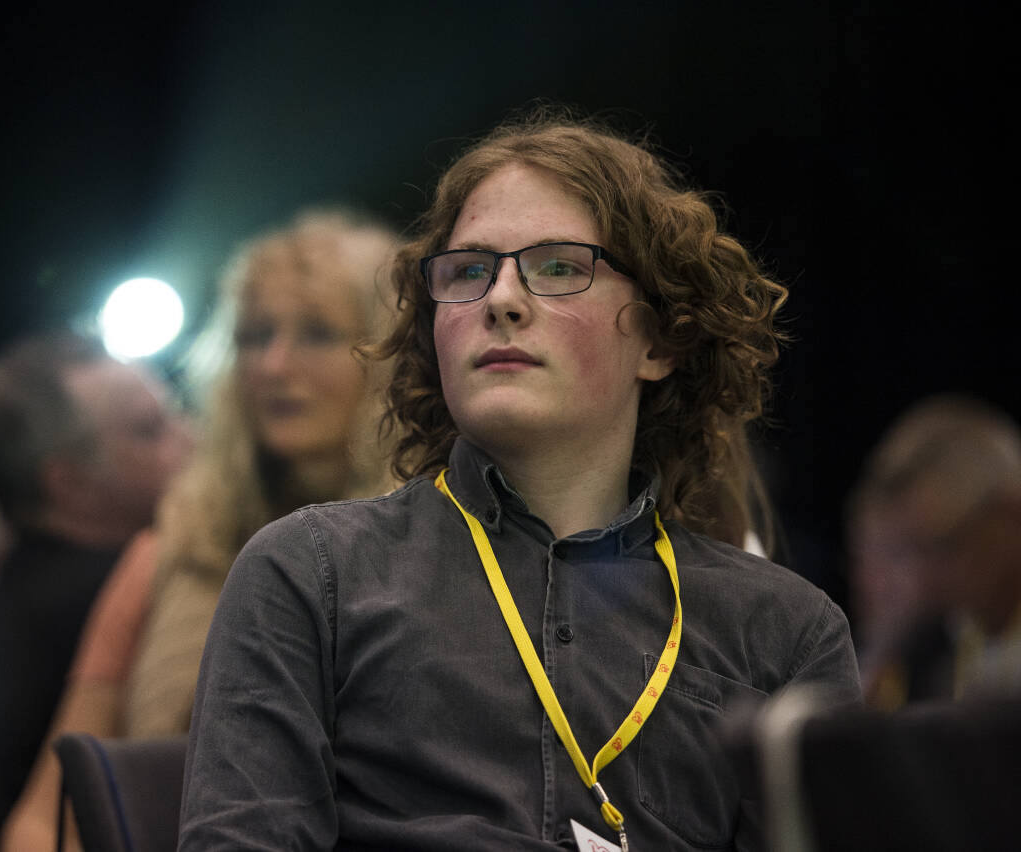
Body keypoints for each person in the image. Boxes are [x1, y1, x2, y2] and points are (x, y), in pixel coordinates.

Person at [178, 110, 861, 852]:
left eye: (559, 266)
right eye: (469, 270)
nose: (501, 297)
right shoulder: (310, 573)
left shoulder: (786, 630)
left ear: (662, 340)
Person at [0, 209, 400, 851]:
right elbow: (47, 810)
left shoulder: (435, 557)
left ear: (391, 356)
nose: (272, 364)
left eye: (318, 334)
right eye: (253, 335)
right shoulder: (171, 547)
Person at [0, 330, 194, 852]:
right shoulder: (135, 583)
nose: (191, 437)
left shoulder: (11, 598)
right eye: (151, 431)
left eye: (177, 411)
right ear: (70, 483)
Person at [847, 393, 1021, 708]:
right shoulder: (958, 633)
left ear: (1011, 515)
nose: (925, 580)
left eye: (946, 546)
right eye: (912, 553)